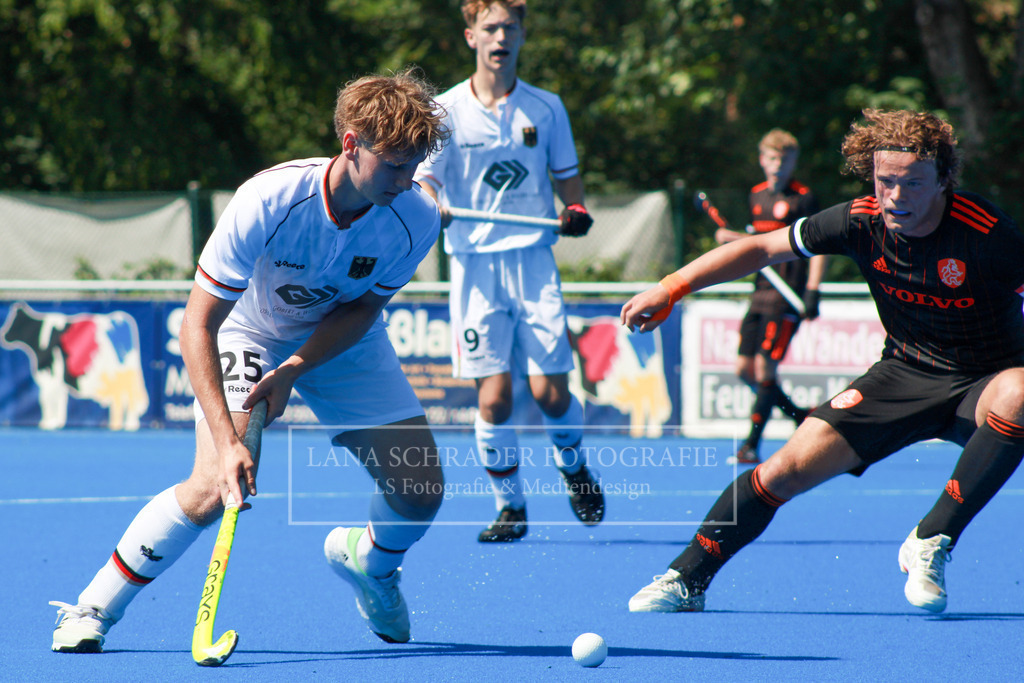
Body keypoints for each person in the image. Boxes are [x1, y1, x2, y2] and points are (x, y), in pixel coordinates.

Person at [49, 67, 451, 652]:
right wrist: (229, 437)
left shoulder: (414, 217)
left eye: (414, 165)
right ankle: (91, 609)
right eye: (393, 164)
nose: (406, 179)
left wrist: (294, 370)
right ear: (350, 144)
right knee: (215, 485)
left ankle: (370, 563)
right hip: (251, 333)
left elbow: (361, 310)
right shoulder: (269, 198)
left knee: (420, 488)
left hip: (342, 343)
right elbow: (198, 322)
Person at [621, 109, 1024, 614]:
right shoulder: (859, 220)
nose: (896, 198)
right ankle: (687, 578)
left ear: (944, 180)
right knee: (781, 471)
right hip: (903, 373)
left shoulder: (989, 235)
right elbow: (762, 248)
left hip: (987, 382)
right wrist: (671, 287)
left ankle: (931, 537)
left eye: (914, 184)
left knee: (1021, 392)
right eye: (886, 182)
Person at [414, 0, 603, 543]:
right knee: (493, 398)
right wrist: (433, 201)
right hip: (474, 265)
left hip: (533, 261)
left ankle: (574, 470)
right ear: (470, 36)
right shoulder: (446, 110)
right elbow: (429, 181)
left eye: (510, 28)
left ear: (522, 36)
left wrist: (575, 209)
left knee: (549, 393)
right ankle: (510, 507)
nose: (500, 37)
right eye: (490, 28)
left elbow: (568, 181)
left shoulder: (546, 108)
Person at [712, 129, 827, 465]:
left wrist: (813, 290)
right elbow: (756, 245)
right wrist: (731, 238)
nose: (778, 166)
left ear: (794, 162)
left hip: (787, 295)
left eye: (785, 159)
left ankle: (750, 445)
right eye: (772, 158)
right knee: (744, 369)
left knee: (765, 367)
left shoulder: (803, 198)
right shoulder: (756, 196)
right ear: (762, 160)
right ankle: (799, 416)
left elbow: (818, 247)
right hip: (760, 292)